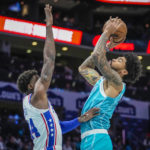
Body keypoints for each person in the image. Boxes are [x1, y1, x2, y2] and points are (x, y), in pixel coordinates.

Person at [17, 4, 99, 150]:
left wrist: (80, 119)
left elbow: (58, 127)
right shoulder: (37, 96)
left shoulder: (36, 104)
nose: (42, 80)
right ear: (30, 86)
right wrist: (49, 26)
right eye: (37, 79)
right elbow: (49, 59)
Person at [78, 17, 142, 150]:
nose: (115, 58)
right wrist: (106, 47)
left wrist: (106, 32)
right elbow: (83, 68)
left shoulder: (117, 83)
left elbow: (97, 56)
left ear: (124, 71)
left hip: (98, 139)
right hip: (90, 138)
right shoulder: (102, 81)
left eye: (119, 60)